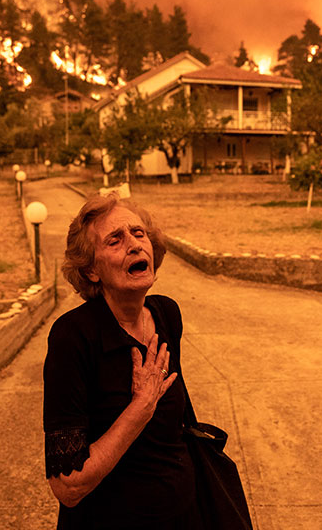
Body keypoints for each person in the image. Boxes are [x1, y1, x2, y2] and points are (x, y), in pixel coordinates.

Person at [43, 193, 202, 529]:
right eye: (115, 240)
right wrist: (140, 408)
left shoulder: (166, 314)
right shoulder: (73, 337)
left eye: (139, 233)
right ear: (91, 269)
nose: (134, 244)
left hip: (184, 515)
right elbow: (68, 485)